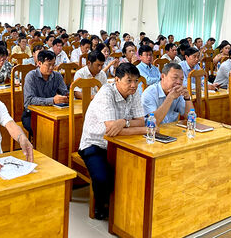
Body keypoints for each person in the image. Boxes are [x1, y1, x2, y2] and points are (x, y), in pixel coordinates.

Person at [78, 63, 147, 220]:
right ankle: (101, 206)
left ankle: (125, 207)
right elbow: (111, 131)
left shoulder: (134, 92)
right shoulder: (106, 93)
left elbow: (140, 120)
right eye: (129, 81)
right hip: (95, 144)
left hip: (120, 143)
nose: (133, 85)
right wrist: (143, 130)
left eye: (136, 81)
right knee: (103, 178)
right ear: (116, 79)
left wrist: (124, 122)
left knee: (135, 172)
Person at [23, 50, 69, 135]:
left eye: (53, 64)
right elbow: (29, 100)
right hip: (32, 114)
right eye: (48, 65)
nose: (52, 68)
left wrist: (67, 97)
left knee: (65, 127)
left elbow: (65, 92)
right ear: (39, 63)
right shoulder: (31, 76)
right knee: (45, 131)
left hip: (51, 113)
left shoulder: (57, 76)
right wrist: (53, 100)